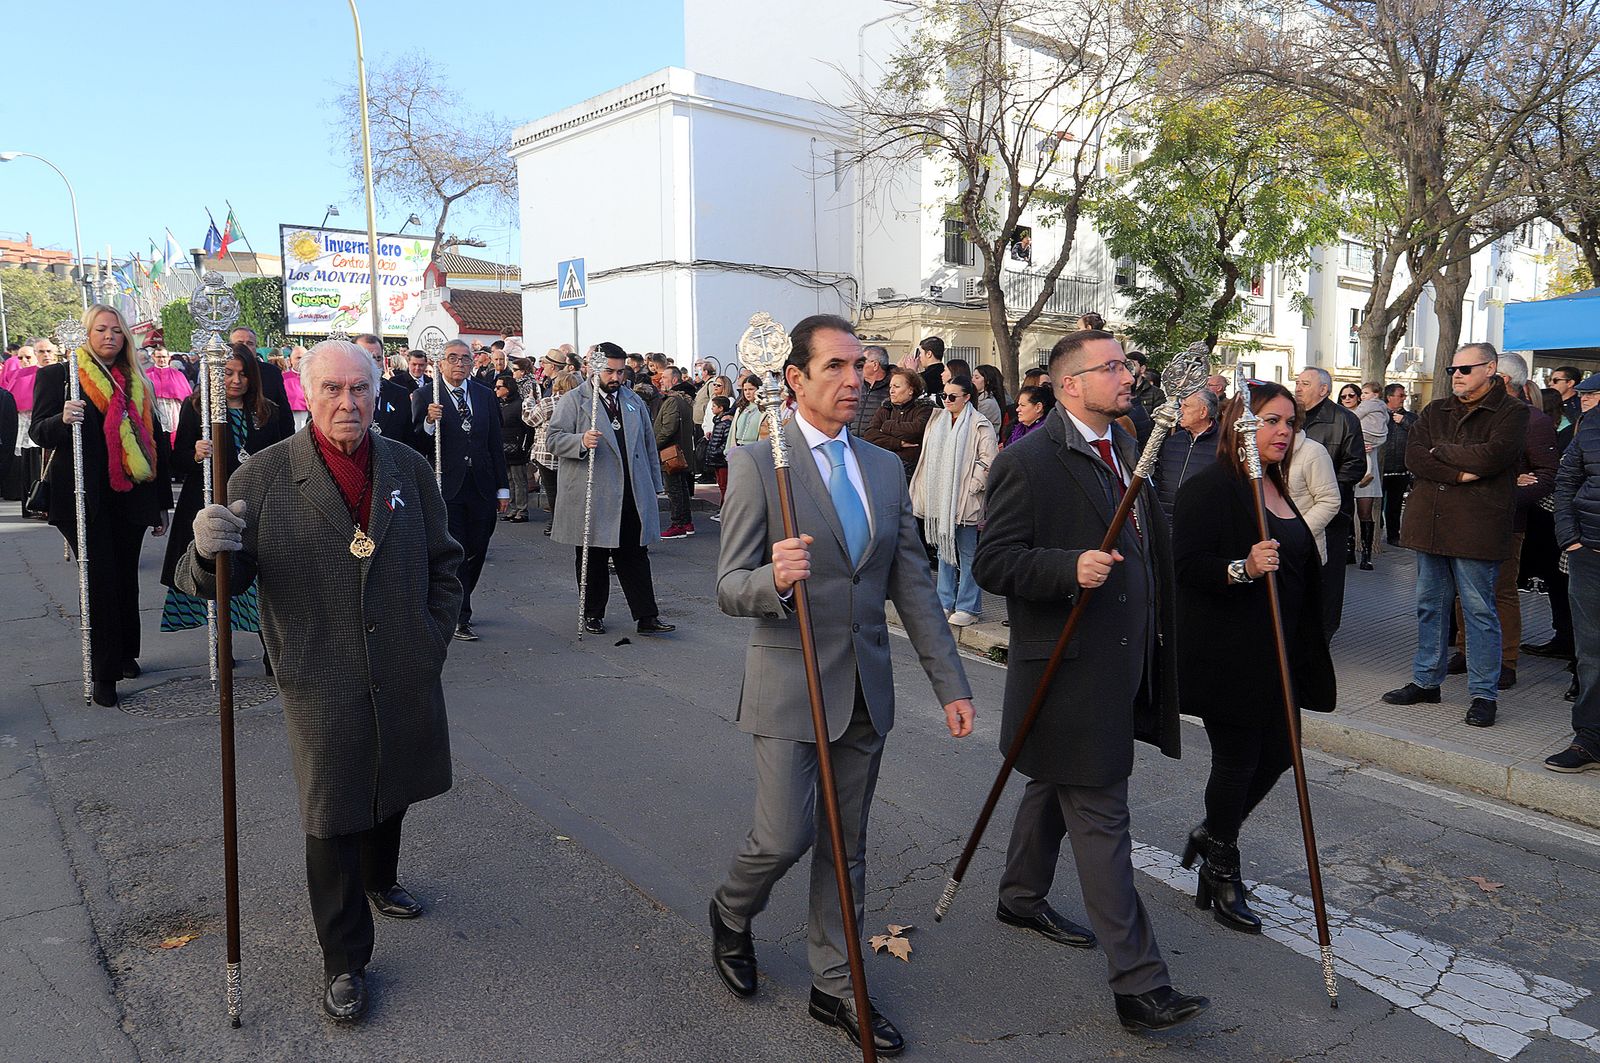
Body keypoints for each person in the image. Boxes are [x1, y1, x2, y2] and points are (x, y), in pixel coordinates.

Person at [710, 314, 974, 1056]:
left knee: (845, 844)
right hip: (789, 686)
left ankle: (838, 983)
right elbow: (728, 585)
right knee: (784, 834)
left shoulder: (884, 467)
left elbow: (912, 586)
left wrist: (949, 682)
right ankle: (731, 912)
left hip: (865, 689)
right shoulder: (762, 462)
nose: (856, 379)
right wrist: (774, 578)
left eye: (860, 366)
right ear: (796, 379)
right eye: (837, 367)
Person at [179, 339, 462, 1023]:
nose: (348, 401)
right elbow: (219, 581)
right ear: (309, 394)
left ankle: (382, 877)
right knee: (332, 808)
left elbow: (444, 561)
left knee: (392, 776)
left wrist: (431, 637)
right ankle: (344, 960)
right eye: (332, 388)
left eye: (359, 388)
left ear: (376, 394)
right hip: (319, 670)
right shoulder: (265, 477)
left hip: (402, 660)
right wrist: (204, 546)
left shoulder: (409, 467)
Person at [972, 328, 1205, 1034]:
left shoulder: (1128, 439)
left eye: (1125, 363)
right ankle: (1139, 984)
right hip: (1069, 673)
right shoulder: (1028, 460)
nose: (1126, 374)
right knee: (1102, 817)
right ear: (1070, 383)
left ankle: (1019, 892)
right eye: (1110, 367)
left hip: (1121, 658)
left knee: (1051, 781)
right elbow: (996, 562)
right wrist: (1067, 567)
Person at [1171, 382, 1336, 932]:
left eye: (1290, 422)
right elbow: (1186, 565)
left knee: (1282, 751)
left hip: (1281, 649)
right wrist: (1241, 568)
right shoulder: (1211, 486)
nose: (1283, 432)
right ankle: (1221, 867)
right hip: (1229, 650)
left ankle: (1213, 834)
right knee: (1239, 757)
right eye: (1270, 420)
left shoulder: (1277, 485)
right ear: (1240, 424)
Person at [1383, 343, 1529, 728]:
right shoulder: (1435, 410)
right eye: (1452, 369)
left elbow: (1493, 457)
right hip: (1429, 522)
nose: (1457, 375)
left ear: (1491, 368)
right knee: (1429, 605)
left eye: (1466, 368)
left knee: (1479, 611)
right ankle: (1426, 680)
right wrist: (1458, 471)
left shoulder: (1512, 412)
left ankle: (1484, 693)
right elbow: (1415, 457)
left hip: (1477, 528)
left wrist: (1441, 451)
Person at [32, 305, 173, 705]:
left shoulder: (136, 381)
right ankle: (104, 672)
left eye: (116, 330)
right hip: (82, 498)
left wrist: (161, 502)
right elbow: (39, 432)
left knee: (124, 576)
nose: (109, 336)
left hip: (129, 495)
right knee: (99, 581)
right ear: (86, 334)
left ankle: (126, 653)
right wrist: (62, 419)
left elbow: (155, 441)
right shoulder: (61, 377)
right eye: (100, 329)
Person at [159, 343, 293, 647]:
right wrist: (194, 453)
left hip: (255, 506)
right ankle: (221, 646)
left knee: (259, 578)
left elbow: (284, 454)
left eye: (243, 374)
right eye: (228, 373)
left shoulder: (266, 411)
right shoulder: (197, 409)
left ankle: (270, 649)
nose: (236, 380)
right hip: (209, 500)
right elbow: (177, 460)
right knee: (214, 574)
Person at [1444, 353, 1556, 690]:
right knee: (1464, 591)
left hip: (1507, 523)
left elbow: (1547, 476)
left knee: (1501, 591)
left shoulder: (1533, 421)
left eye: (1466, 369)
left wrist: (1502, 496)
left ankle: (1506, 660)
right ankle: (1466, 650)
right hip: (1462, 519)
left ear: (1499, 378)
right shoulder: (1466, 415)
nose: (1458, 375)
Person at [547, 342, 674, 636]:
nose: (616, 378)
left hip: (630, 491)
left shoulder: (632, 400)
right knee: (593, 557)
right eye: (609, 371)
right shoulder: (574, 400)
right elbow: (553, 438)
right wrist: (579, 441)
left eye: (620, 372)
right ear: (594, 367)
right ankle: (592, 613)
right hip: (594, 491)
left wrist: (654, 485)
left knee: (635, 556)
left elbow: (647, 445)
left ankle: (646, 616)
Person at [413, 339, 510, 641]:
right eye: (452, 358)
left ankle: (459, 599)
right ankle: (459, 613)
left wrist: (503, 487)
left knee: (478, 548)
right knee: (456, 549)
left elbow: (495, 442)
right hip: (446, 485)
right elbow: (415, 445)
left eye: (465, 358)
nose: (459, 363)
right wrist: (429, 421)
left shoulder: (483, 395)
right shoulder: (425, 395)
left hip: (481, 484)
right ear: (440, 363)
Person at [910, 375, 997, 626]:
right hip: (940, 495)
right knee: (944, 550)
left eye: (952, 396)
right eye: (943, 396)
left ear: (967, 397)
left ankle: (969, 606)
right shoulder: (938, 420)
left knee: (968, 552)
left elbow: (988, 459)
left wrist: (974, 485)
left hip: (966, 497)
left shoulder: (980, 423)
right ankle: (944, 600)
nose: (946, 400)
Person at [1548, 372, 1600, 771]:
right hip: (1590, 554)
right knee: (1591, 653)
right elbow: (1565, 484)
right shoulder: (1589, 430)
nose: (1585, 399)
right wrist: (1571, 538)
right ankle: (1589, 739)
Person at [1295, 367, 1364, 636]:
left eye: (1305, 383)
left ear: (1324, 390)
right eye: (1297, 382)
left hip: (1331, 514)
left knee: (1327, 580)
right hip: (1293, 510)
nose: (1298, 388)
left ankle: (1323, 634)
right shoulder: (1290, 417)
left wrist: (1321, 486)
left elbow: (1355, 466)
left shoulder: (1344, 420)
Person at [1153, 388, 1220, 521]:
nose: (1180, 410)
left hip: (1200, 522)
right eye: (1181, 405)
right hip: (1165, 520)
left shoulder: (1224, 446)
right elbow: (1159, 478)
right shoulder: (1173, 441)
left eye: (1186, 406)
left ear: (1203, 412)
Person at [524, 371, 577, 537]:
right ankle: (570, 523)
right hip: (570, 450)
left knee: (552, 491)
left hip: (546, 452)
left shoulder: (549, 402)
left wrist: (529, 401)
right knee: (569, 490)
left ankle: (555, 523)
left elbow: (530, 419)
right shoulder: (578, 402)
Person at [862, 368, 932, 481]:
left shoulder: (924, 409)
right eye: (891, 387)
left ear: (910, 390)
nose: (891, 391)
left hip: (912, 472)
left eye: (897, 387)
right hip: (883, 467)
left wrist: (886, 426)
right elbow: (869, 435)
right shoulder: (886, 408)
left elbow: (915, 431)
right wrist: (898, 443)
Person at [654, 366, 699, 539]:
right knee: (681, 488)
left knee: (674, 490)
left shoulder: (673, 400)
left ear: (674, 380)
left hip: (671, 451)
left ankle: (678, 524)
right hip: (680, 450)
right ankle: (686, 522)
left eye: (664, 377)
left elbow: (668, 428)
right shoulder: (684, 400)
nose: (661, 380)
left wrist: (653, 445)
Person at [1286, 429, 1342, 564]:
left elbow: (1329, 500)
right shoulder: (1251, 451)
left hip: (1302, 550)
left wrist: (1298, 532)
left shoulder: (1313, 451)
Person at [1351, 381, 1389, 570]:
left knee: (1365, 512)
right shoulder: (1350, 416)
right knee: (1346, 511)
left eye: (1353, 395)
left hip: (1368, 470)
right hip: (1348, 469)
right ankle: (1349, 550)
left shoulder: (1368, 412)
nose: (1349, 399)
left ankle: (1366, 554)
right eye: (1344, 396)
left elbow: (1382, 433)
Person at [354, 334, 412, 441]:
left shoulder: (400, 394)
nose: (374, 364)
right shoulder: (343, 395)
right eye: (368, 358)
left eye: (378, 358)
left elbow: (409, 439)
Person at [1379, 384, 1416, 546]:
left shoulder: (1411, 418)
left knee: (1394, 507)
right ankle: (1374, 537)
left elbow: (1421, 434)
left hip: (1401, 470)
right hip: (1380, 470)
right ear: (1389, 397)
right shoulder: (1379, 416)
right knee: (1376, 506)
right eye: (1400, 395)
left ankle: (1393, 536)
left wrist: (1405, 422)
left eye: (1404, 395)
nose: (1404, 398)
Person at [496, 372, 532, 523]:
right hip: (503, 447)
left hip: (517, 448)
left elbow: (528, 427)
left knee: (519, 480)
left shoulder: (520, 404)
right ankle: (512, 508)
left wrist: (525, 446)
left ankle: (522, 510)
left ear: (508, 388)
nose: (495, 389)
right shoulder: (500, 404)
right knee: (509, 479)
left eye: (499, 387)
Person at [145, 345, 193, 444]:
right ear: (153, 357)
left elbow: (187, 397)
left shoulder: (178, 375)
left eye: (164, 357)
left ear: (168, 358)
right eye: (159, 357)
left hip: (173, 410)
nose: (161, 359)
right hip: (154, 409)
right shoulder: (146, 375)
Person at [704, 394, 734, 515]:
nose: (712, 409)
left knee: (724, 485)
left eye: (714, 406)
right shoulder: (718, 422)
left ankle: (725, 510)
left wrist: (717, 451)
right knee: (721, 484)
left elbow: (726, 441)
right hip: (716, 458)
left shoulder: (725, 424)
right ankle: (723, 508)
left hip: (721, 459)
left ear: (721, 408)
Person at [853, 345, 891, 434]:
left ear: (875, 365)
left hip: (876, 445)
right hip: (853, 444)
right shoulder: (856, 385)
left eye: (862, 362)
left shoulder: (892, 388)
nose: (858, 366)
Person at [1127, 350, 1166, 415]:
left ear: (1142, 369)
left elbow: (1159, 419)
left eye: (1132, 365)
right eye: (1126, 365)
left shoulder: (1156, 393)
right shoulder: (1118, 390)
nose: (1128, 369)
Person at [973, 362, 1006, 430]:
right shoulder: (977, 398)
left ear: (987, 381)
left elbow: (974, 425)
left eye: (977, 377)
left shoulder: (988, 403)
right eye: (972, 376)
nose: (972, 380)